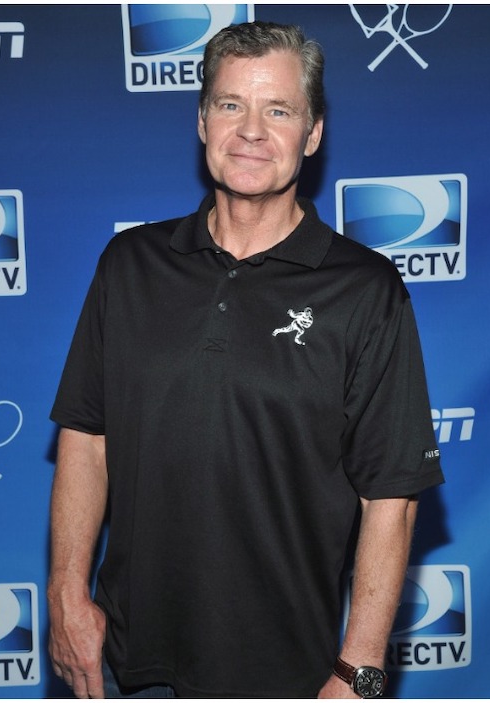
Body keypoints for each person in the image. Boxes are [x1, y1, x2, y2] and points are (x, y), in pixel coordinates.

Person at [47, 21, 444, 699]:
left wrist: (360, 672)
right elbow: (86, 437)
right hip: (126, 664)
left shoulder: (364, 290)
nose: (251, 130)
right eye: (231, 104)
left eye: (278, 110)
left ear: (312, 134)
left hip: (290, 677)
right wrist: (65, 591)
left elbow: (392, 499)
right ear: (202, 120)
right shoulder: (131, 265)